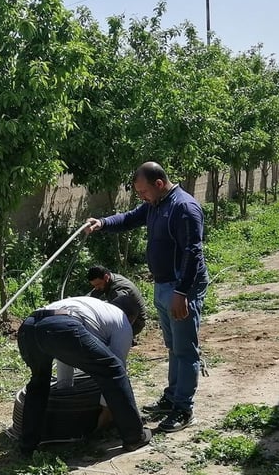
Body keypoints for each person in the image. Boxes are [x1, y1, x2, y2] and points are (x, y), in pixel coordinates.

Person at [86, 162, 209, 432]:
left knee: (185, 349)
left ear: (159, 184)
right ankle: (172, 397)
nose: (141, 196)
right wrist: (102, 223)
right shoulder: (156, 205)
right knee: (173, 346)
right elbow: (130, 218)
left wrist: (182, 293)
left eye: (143, 191)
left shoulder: (183, 208)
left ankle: (183, 409)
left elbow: (193, 253)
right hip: (164, 286)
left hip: (180, 289)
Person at [16, 294, 151, 455]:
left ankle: (27, 446)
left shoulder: (94, 307)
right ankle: (134, 436)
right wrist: (106, 412)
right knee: (114, 369)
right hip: (60, 326)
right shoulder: (122, 321)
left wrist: (66, 387)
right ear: (132, 318)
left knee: (39, 384)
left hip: (28, 327)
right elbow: (115, 371)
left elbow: (64, 351)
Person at [86, 266, 149, 337]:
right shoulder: (109, 279)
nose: (96, 288)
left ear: (106, 277)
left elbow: (119, 317)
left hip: (135, 322)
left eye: (98, 284)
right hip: (127, 314)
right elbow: (93, 294)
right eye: (94, 286)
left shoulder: (118, 291)